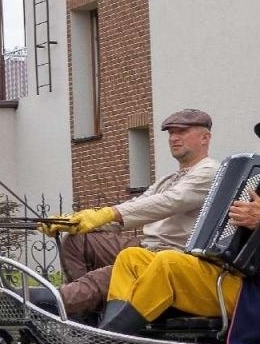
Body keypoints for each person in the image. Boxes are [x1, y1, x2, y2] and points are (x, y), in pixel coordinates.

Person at [98, 108, 260, 344]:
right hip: (228, 277)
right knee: (131, 258)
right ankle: (110, 336)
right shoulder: (255, 181)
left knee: (169, 263)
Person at [38, 109, 218, 318]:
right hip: (147, 247)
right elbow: (138, 205)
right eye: (171, 133)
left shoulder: (210, 172)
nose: (174, 138)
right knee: (78, 240)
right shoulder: (169, 179)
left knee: (111, 273)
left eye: (182, 132)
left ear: (205, 138)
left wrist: (106, 214)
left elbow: (168, 202)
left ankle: (49, 302)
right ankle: (84, 313)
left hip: (173, 256)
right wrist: (78, 222)